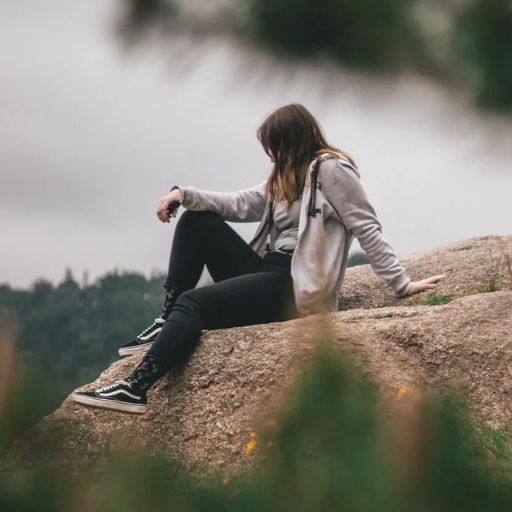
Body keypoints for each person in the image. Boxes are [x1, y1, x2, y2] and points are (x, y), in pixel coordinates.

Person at [70, 103, 445, 414]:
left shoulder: (331, 170)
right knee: (197, 221)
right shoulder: (284, 175)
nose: (270, 154)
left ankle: (137, 386)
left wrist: (401, 283)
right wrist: (181, 193)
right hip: (268, 270)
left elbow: (367, 227)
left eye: (273, 145)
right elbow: (237, 203)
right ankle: (166, 317)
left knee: (194, 303)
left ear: (292, 141)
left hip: (294, 286)